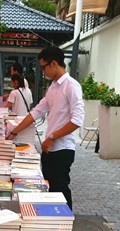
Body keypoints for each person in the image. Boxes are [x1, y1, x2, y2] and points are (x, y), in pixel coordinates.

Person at [6, 46, 84, 210]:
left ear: (54, 63)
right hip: (49, 149)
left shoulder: (71, 86)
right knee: (50, 190)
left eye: (43, 67)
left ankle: (65, 225)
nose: (42, 71)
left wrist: (52, 137)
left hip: (62, 149)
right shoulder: (54, 87)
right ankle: (55, 224)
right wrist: (13, 132)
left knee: (60, 190)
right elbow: (36, 112)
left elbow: (77, 120)